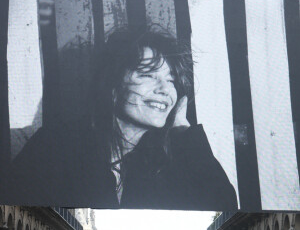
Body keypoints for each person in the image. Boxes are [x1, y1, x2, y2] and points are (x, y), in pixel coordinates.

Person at [5, 30, 237, 211]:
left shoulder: (166, 161)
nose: (165, 90)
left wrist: (185, 133)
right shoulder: (55, 147)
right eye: (147, 75)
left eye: (171, 80)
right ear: (112, 83)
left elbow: (223, 211)